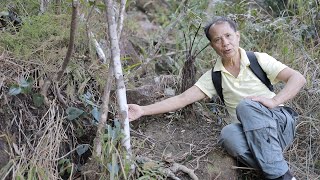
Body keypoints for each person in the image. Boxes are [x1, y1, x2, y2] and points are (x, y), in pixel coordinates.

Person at [128, 17, 306, 180]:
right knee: (229, 135)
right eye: (217, 40)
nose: (225, 43)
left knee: (245, 106)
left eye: (228, 36)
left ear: (237, 36)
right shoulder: (215, 76)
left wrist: (274, 101)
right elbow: (182, 99)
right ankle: (273, 165)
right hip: (252, 136)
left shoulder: (258, 59)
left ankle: (283, 177)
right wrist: (143, 110)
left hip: (278, 124)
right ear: (212, 45)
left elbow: (298, 78)